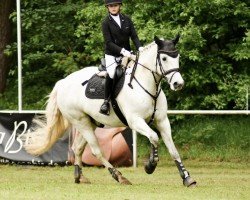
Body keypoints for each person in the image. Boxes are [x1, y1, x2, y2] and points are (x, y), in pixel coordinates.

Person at [100, 0, 143, 115]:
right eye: (110, 6)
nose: (113, 8)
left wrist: (140, 48)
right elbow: (108, 42)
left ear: (119, 6)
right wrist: (122, 51)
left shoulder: (127, 19)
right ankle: (106, 102)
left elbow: (134, 36)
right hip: (112, 54)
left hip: (128, 53)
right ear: (107, 8)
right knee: (112, 73)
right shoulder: (105, 23)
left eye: (115, 5)